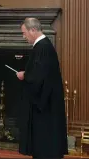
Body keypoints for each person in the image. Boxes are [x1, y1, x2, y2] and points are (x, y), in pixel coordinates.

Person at [16, 18, 68, 159]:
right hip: (46, 103)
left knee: (45, 145)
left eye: (24, 33)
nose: (24, 36)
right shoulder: (44, 46)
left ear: (33, 30)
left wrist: (24, 75)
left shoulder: (42, 47)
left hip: (45, 107)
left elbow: (38, 76)